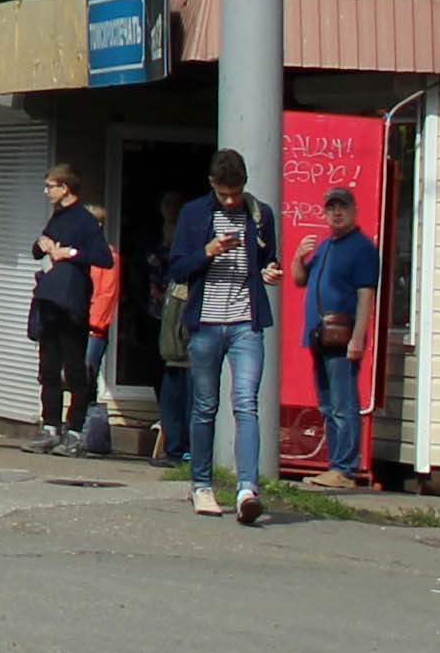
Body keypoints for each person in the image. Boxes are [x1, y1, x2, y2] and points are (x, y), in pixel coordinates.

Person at [170, 148, 283, 524]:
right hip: (205, 323)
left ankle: (247, 488)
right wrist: (209, 250)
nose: (232, 200)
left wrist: (270, 273)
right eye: (224, 194)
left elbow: (269, 261)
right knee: (204, 405)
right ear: (212, 186)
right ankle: (201, 484)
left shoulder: (259, 214)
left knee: (246, 403)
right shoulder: (194, 214)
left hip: (245, 323)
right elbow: (178, 268)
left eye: (236, 193)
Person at [294, 185, 382, 490]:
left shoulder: (362, 248)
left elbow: (366, 297)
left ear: (354, 210)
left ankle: (345, 469)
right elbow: (299, 280)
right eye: (331, 208)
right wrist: (298, 257)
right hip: (320, 337)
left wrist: (358, 339)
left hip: (342, 338)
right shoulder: (325, 245)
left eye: (342, 207)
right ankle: (335, 466)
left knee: (344, 405)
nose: (336, 212)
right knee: (328, 405)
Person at [28, 165, 112, 454]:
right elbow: (38, 251)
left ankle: (74, 431)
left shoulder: (85, 221)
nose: (47, 191)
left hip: (73, 301)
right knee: (48, 366)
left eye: (50, 186)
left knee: (74, 367)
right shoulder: (58, 217)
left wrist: (72, 253)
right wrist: (42, 244)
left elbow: (104, 258)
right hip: (51, 300)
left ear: (65, 188)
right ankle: (50, 427)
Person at [149, 190, 193, 468]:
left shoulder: (187, 245)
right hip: (164, 314)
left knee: (186, 388)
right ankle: (175, 446)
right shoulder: (163, 239)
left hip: (182, 318)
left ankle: (184, 448)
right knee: (170, 383)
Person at [80, 200, 121, 452]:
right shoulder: (76, 255)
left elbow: (106, 296)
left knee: (86, 378)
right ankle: (79, 432)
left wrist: (93, 325)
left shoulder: (108, 257)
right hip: (74, 326)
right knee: (75, 378)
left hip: (92, 329)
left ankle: (89, 436)